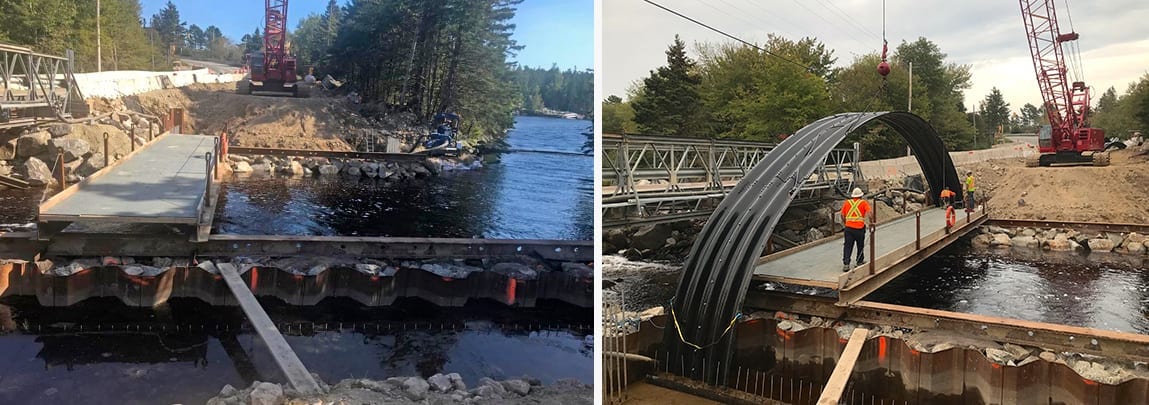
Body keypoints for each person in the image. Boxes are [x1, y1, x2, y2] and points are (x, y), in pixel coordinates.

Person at [841, 187, 871, 271]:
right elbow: (869, 213)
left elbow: (842, 215)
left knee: (847, 246)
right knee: (860, 245)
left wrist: (845, 222)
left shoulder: (847, 203)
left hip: (848, 228)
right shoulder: (863, 203)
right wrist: (872, 223)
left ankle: (846, 264)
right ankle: (859, 261)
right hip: (859, 228)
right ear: (861, 196)